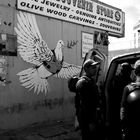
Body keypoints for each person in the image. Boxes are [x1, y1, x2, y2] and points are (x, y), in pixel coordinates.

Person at [76, 59, 100, 140]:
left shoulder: (90, 81)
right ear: (86, 69)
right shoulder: (83, 82)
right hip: (87, 118)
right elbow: (85, 105)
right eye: (93, 67)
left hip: (91, 116)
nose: (95, 69)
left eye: (95, 67)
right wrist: (90, 121)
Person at [109, 62, 133, 140]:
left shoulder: (125, 79)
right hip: (119, 106)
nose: (130, 72)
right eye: (129, 70)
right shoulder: (119, 80)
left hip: (121, 106)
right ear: (125, 70)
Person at [120, 59, 140, 140]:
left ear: (135, 72)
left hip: (132, 127)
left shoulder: (129, 88)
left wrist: (123, 128)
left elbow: (123, 110)